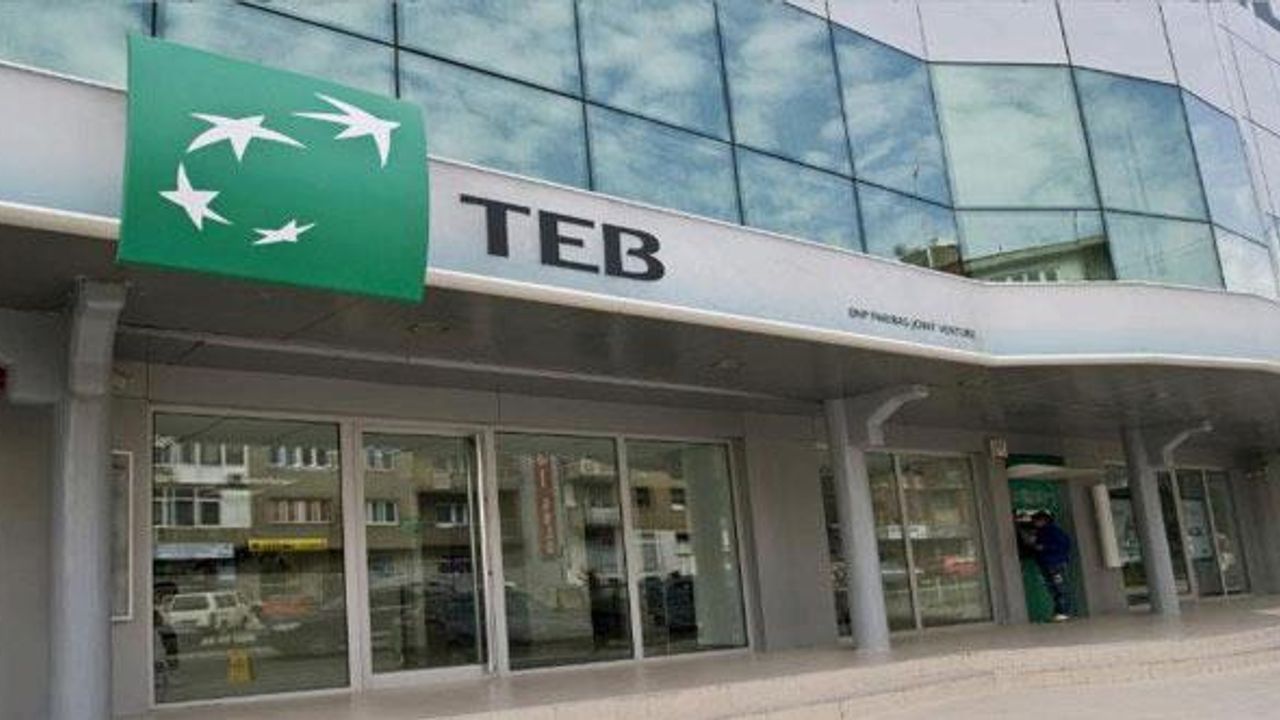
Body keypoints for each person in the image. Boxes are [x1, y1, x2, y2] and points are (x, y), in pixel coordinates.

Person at [1031, 511, 1073, 622]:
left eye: (1036, 520)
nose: (1034, 523)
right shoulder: (1042, 532)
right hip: (1048, 563)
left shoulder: (1052, 531)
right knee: (1054, 588)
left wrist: (1044, 547)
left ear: (1043, 520)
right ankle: (1059, 612)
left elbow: (1063, 545)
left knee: (1059, 587)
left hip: (1055, 564)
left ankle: (1063, 612)